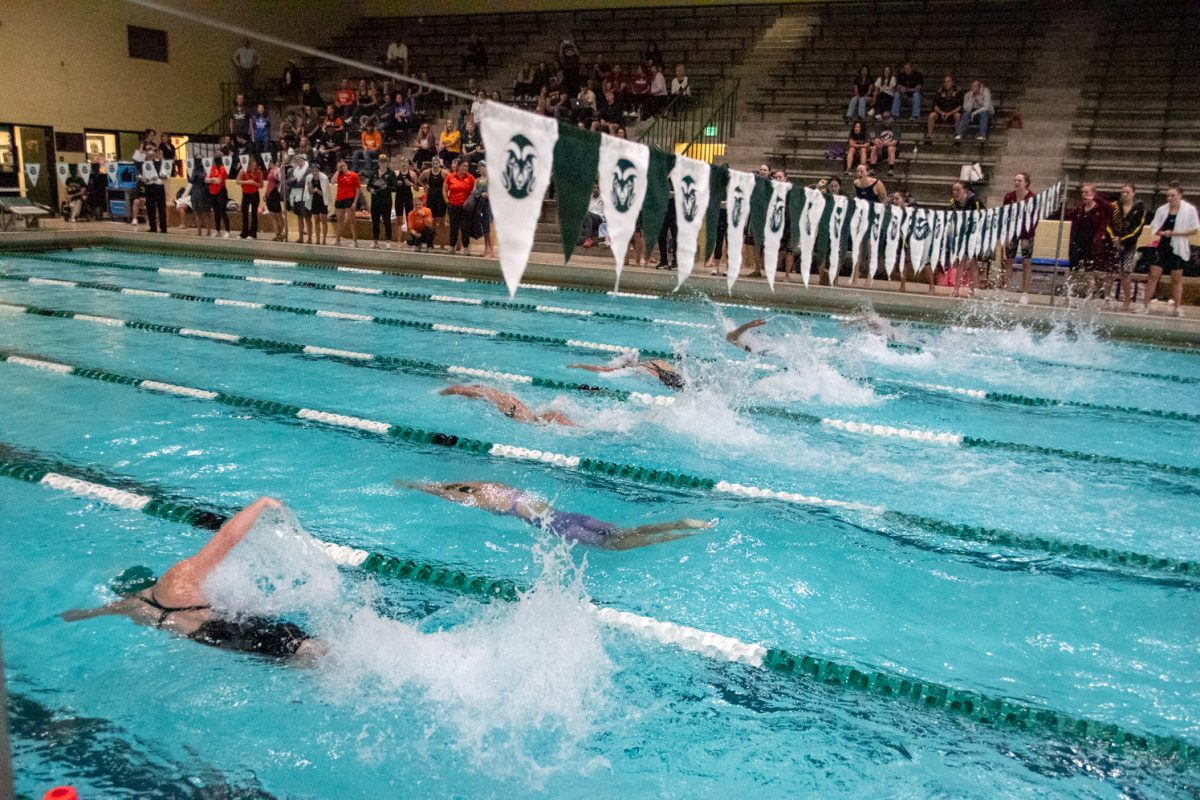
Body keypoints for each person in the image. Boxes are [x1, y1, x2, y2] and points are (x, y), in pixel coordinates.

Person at [62, 497, 322, 661]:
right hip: (228, 629)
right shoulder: (180, 578)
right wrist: (260, 504)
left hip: (212, 641)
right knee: (314, 651)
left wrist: (77, 614)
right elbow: (226, 539)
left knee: (291, 661)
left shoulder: (133, 607)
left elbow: (88, 613)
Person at [405, 482, 711, 550]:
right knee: (624, 529)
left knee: (616, 545)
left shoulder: (486, 501)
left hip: (560, 528)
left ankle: (682, 533)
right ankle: (680, 523)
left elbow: (448, 494)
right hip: (573, 515)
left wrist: (417, 487)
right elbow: (463, 486)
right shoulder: (497, 488)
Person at [1142, 181, 1198, 316]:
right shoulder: (1162, 209)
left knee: (1176, 278)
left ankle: (1177, 307)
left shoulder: (1189, 210)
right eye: (1168, 196)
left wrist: (1175, 233)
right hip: (1163, 245)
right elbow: (1155, 227)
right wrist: (1163, 233)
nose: (1169, 199)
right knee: (1153, 275)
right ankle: (1144, 305)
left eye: (1172, 196)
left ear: (1180, 195)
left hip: (1178, 245)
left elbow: (1194, 230)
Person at [441, 384, 576, 426]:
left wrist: (440, 393)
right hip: (533, 416)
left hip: (529, 420)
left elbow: (455, 388)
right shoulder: (500, 395)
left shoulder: (486, 393)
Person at [1065, 183, 1114, 297]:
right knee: (1073, 270)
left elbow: (1111, 208)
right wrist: (1064, 205)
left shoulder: (1100, 208)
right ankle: (1069, 294)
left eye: (1086, 192)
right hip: (1077, 242)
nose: (1084, 195)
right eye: (1082, 192)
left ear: (1093, 194)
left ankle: (1089, 295)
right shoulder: (1080, 209)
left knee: (1089, 271)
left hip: (1091, 244)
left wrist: (1096, 198)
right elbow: (1067, 216)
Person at [1109, 182, 1147, 311]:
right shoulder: (1115, 206)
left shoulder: (1139, 209)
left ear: (1133, 194)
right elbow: (1108, 223)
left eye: (1128, 192)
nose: (1125, 195)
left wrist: (1122, 240)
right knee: (1109, 271)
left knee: (1125, 271)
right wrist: (1114, 238)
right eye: (1123, 192)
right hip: (1113, 241)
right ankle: (1107, 298)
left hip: (1129, 244)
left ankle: (1127, 301)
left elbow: (1138, 229)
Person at [1001, 172, 1037, 303]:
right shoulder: (1009, 197)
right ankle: (1006, 290)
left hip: (1027, 233)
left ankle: (1025, 293)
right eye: (1015, 180)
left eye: (1019, 181)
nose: (1016, 182)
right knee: (1009, 261)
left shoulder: (1032, 198)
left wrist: (1027, 237)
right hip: (1012, 233)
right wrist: (1005, 235)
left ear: (1026, 183)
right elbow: (1004, 217)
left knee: (1026, 262)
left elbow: (1034, 219)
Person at [568, 353, 685, 390]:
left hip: (666, 382)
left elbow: (603, 369)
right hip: (677, 378)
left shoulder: (635, 369)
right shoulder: (657, 361)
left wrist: (580, 365)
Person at [949, 180, 985, 297]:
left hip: (975, 234)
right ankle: (956, 289)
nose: (955, 192)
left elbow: (983, 217)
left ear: (965, 190)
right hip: (962, 234)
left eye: (958, 190)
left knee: (972, 262)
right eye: (953, 190)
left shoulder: (975, 201)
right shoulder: (953, 202)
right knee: (961, 261)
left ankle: (973, 289)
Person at [444, 159, 476, 255]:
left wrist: (470, 203)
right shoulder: (450, 176)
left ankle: (466, 248)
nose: (465, 168)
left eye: (467, 166)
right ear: (458, 166)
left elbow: (474, 193)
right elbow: (444, 190)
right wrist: (447, 202)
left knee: (465, 228)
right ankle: (452, 247)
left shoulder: (471, 178)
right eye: (463, 166)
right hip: (453, 206)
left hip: (466, 208)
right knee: (453, 227)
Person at [366, 154, 396, 250]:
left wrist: (387, 187)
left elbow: (395, 187)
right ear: (378, 163)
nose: (382, 164)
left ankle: (388, 241)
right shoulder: (374, 173)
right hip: (375, 201)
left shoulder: (391, 174)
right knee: (375, 222)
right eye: (381, 162)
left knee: (387, 221)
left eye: (384, 162)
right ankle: (375, 241)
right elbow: (368, 185)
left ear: (387, 163)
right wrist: (370, 190)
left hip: (386, 201)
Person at [332, 160, 363, 247]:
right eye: (341, 166)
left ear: (347, 165)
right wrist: (338, 170)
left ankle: (355, 241)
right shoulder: (339, 175)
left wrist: (355, 202)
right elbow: (333, 181)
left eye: (344, 165)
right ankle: (338, 240)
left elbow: (357, 190)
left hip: (349, 199)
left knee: (352, 221)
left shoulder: (353, 175)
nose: (342, 167)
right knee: (339, 221)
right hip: (339, 199)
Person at [420, 158, 449, 249]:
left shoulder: (444, 173)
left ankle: (442, 244)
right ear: (431, 163)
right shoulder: (427, 172)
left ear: (439, 164)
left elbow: (450, 181)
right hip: (431, 198)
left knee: (441, 222)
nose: (435, 165)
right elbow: (419, 179)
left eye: (436, 163)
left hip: (441, 199)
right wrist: (424, 186)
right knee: (431, 221)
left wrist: (446, 190)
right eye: (433, 163)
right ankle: (430, 243)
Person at [924, 75, 962, 144]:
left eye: (948, 81)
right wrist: (941, 112)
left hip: (952, 114)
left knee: (958, 115)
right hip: (941, 114)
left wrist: (949, 113)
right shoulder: (939, 91)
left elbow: (960, 106)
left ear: (952, 82)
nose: (946, 83)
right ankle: (929, 137)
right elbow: (935, 105)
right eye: (945, 82)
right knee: (931, 115)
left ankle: (957, 136)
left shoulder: (958, 91)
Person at [469, 162, 494, 258]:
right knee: (484, 229)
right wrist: (479, 193)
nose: (480, 169)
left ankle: (491, 251)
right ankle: (486, 249)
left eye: (482, 167)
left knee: (488, 228)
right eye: (479, 167)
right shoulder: (477, 180)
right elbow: (473, 191)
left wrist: (487, 194)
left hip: (488, 205)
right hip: (480, 205)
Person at [237, 155, 263, 239]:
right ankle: (244, 232)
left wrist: (255, 183)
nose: (253, 166)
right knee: (244, 213)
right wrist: (247, 182)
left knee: (254, 214)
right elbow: (237, 181)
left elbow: (261, 185)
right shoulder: (242, 171)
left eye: (254, 164)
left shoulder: (259, 172)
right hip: (245, 194)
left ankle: (253, 233)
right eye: (251, 164)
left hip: (254, 194)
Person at [870, 110, 900, 177]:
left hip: (893, 148)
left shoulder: (896, 127)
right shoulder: (879, 126)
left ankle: (891, 169)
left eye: (887, 118)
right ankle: (872, 168)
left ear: (891, 118)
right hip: (881, 148)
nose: (885, 120)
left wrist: (883, 144)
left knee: (890, 148)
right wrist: (878, 143)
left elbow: (894, 142)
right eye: (884, 118)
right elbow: (876, 138)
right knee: (874, 147)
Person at [188, 158, 212, 238]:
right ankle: (200, 231)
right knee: (198, 212)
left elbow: (201, 179)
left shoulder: (202, 169)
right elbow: (191, 180)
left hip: (201, 193)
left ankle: (207, 231)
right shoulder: (195, 169)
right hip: (196, 192)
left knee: (204, 212)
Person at [207, 156, 230, 238]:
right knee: (216, 212)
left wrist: (211, 179)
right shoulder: (212, 168)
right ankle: (218, 230)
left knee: (223, 211)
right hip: (213, 192)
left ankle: (227, 231)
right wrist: (213, 179)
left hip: (221, 192)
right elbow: (206, 179)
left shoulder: (223, 169)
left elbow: (219, 181)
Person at [264, 158, 287, 241]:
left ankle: (283, 233)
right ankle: (277, 233)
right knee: (273, 216)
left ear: (271, 162)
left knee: (279, 215)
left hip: (275, 194)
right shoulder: (270, 170)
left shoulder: (277, 170)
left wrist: (279, 175)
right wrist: (265, 193)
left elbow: (281, 181)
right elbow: (269, 183)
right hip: (269, 194)